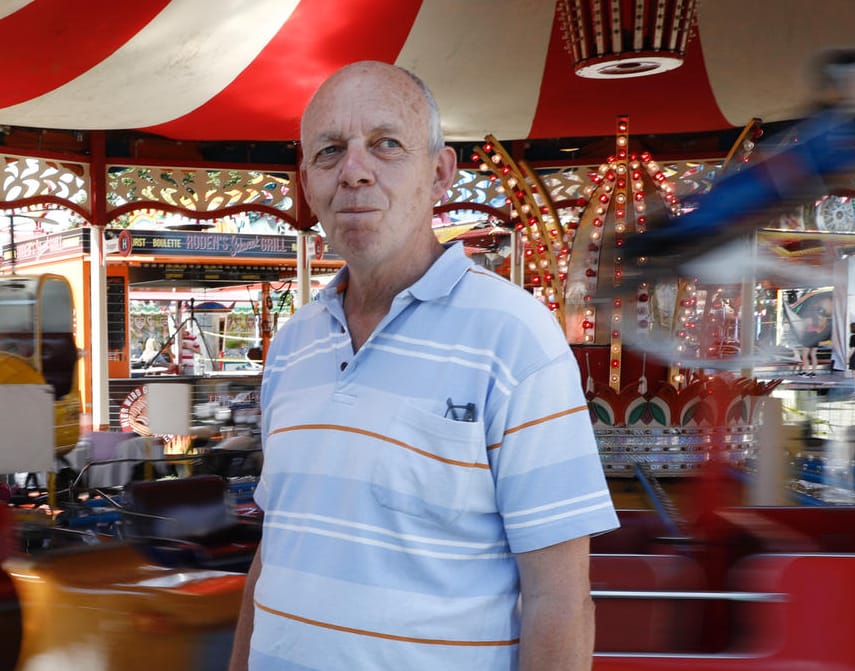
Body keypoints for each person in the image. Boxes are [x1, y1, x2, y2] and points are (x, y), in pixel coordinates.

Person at [229, 61, 618, 671]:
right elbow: (275, 551)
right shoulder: (294, 344)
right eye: (330, 152)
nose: (355, 171)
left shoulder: (514, 338)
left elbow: (559, 596)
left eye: (385, 144)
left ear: (439, 174)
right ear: (307, 184)